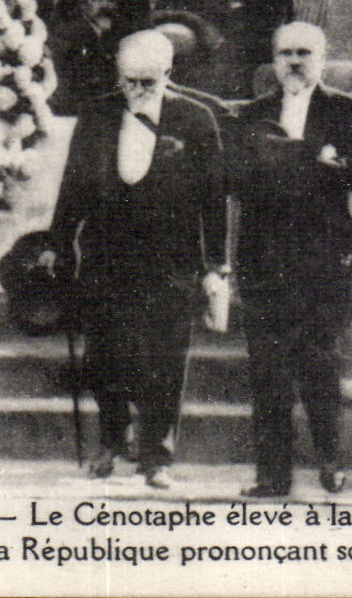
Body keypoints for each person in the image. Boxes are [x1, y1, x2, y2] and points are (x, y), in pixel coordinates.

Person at [40, 31, 227, 489]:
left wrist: (216, 265)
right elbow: (73, 184)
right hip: (107, 253)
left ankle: (157, 457)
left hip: (171, 258)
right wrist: (58, 241)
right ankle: (111, 440)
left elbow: (214, 199)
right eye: (130, 81)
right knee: (104, 353)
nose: (138, 90)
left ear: (168, 74)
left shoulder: (195, 118)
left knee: (166, 357)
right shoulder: (99, 114)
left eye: (148, 82)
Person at [232, 22, 352, 497]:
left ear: (322, 59)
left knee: (320, 362)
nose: (294, 62)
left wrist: (299, 161)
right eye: (286, 53)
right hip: (265, 256)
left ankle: (330, 462)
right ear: (274, 61)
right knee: (267, 368)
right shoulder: (252, 114)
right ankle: (272, 475)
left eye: (304, 53)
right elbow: (235, 176)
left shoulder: (348, 110)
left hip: (324, 256)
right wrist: (314, 160)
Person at [48, 0, 122, 116]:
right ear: (83, 1)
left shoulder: (104, 34)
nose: (106, 6)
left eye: (111, 0)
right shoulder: (70, 34)